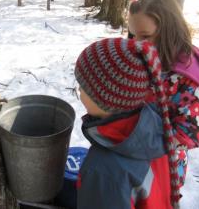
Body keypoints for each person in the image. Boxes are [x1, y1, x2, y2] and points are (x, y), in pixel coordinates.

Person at [128, 0, 199, 195]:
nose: (136, 42)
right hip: (133, 155)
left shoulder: (187, 79)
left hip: (164, 164)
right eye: (133, 35)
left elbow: (190, 130)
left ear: (169, 31)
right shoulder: (146, 57)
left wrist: (144, 142)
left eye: (144, 36)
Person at [75, 37, 179, 208]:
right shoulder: (155, 130)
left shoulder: (103, 170)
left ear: (105, 99)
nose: (79, 89)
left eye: (83, 85)